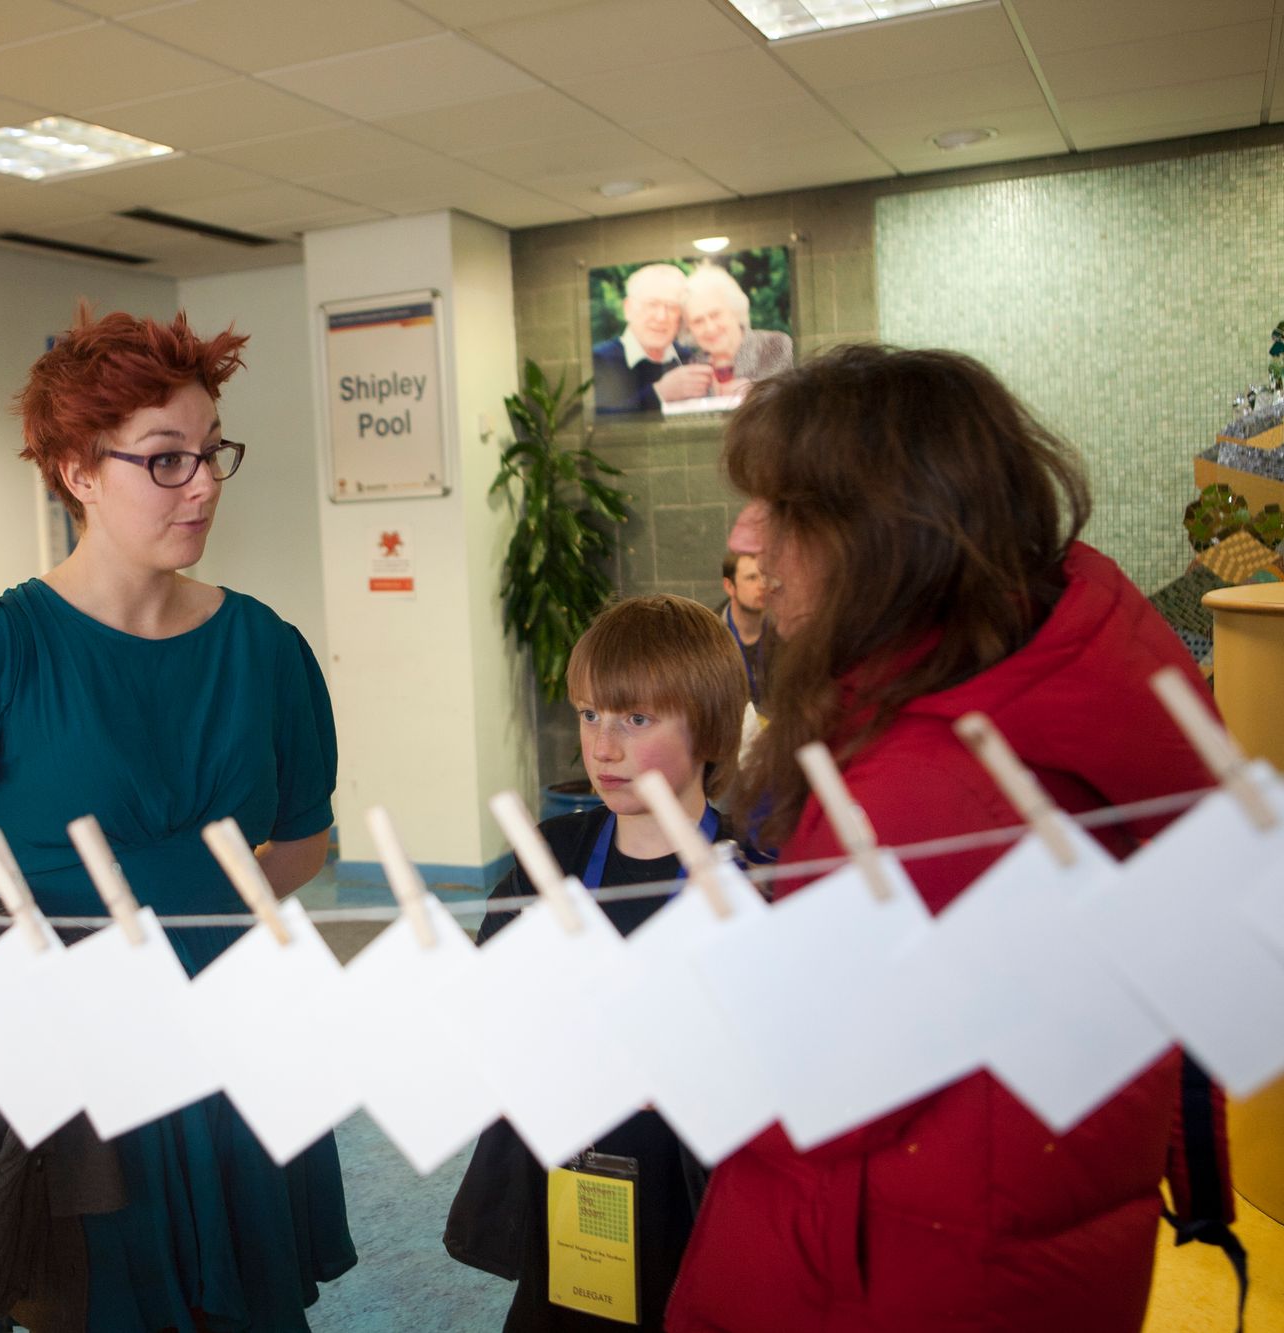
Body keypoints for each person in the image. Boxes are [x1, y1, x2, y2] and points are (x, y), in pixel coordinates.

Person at [662, 345, 1234, 1332]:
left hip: (903, 1266)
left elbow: (816, 1089)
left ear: (880, 534)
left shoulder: (920, 790)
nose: (745, 538)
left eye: (781, 510)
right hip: (1002, 1230)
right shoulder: (1043, 667)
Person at [0, 308, 355, 1332]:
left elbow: (303, 841)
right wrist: (43, 971)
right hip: (79, 1053)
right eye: (165, 460)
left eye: (211, 452)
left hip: (237, 1034)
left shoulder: (267, 649)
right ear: (77, 470)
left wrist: (206, 935)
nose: (203, 483)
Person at [446, 594, 748, 1332]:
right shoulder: (552, 855)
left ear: (708, 724)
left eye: (635, 720)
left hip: (694, 1196)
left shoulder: (751, 874)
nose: (603, 746)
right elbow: (488, 1002)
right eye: (589, 715)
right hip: (569, 1181)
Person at [666, 264, 792, 404]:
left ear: (735, 311)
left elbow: (800, 399)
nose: (710, 328)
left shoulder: (775, 346)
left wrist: (755, 390)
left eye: (715, 315)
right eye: (698, 321)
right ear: (689, 328)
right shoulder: (693, 367)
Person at [591, 264, 691, 414]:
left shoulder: (688, 358)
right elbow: (600, 423)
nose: (661, 317)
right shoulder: (599, 360)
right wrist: (658, 393)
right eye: (652, 305)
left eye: (672, 307)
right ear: (628, 309)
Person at [717, 551, 767, 710]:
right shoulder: (710, 636)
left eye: (766, 576)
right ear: (729, 586)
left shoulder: (787, 631)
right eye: (752, 578)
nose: (763, 585)